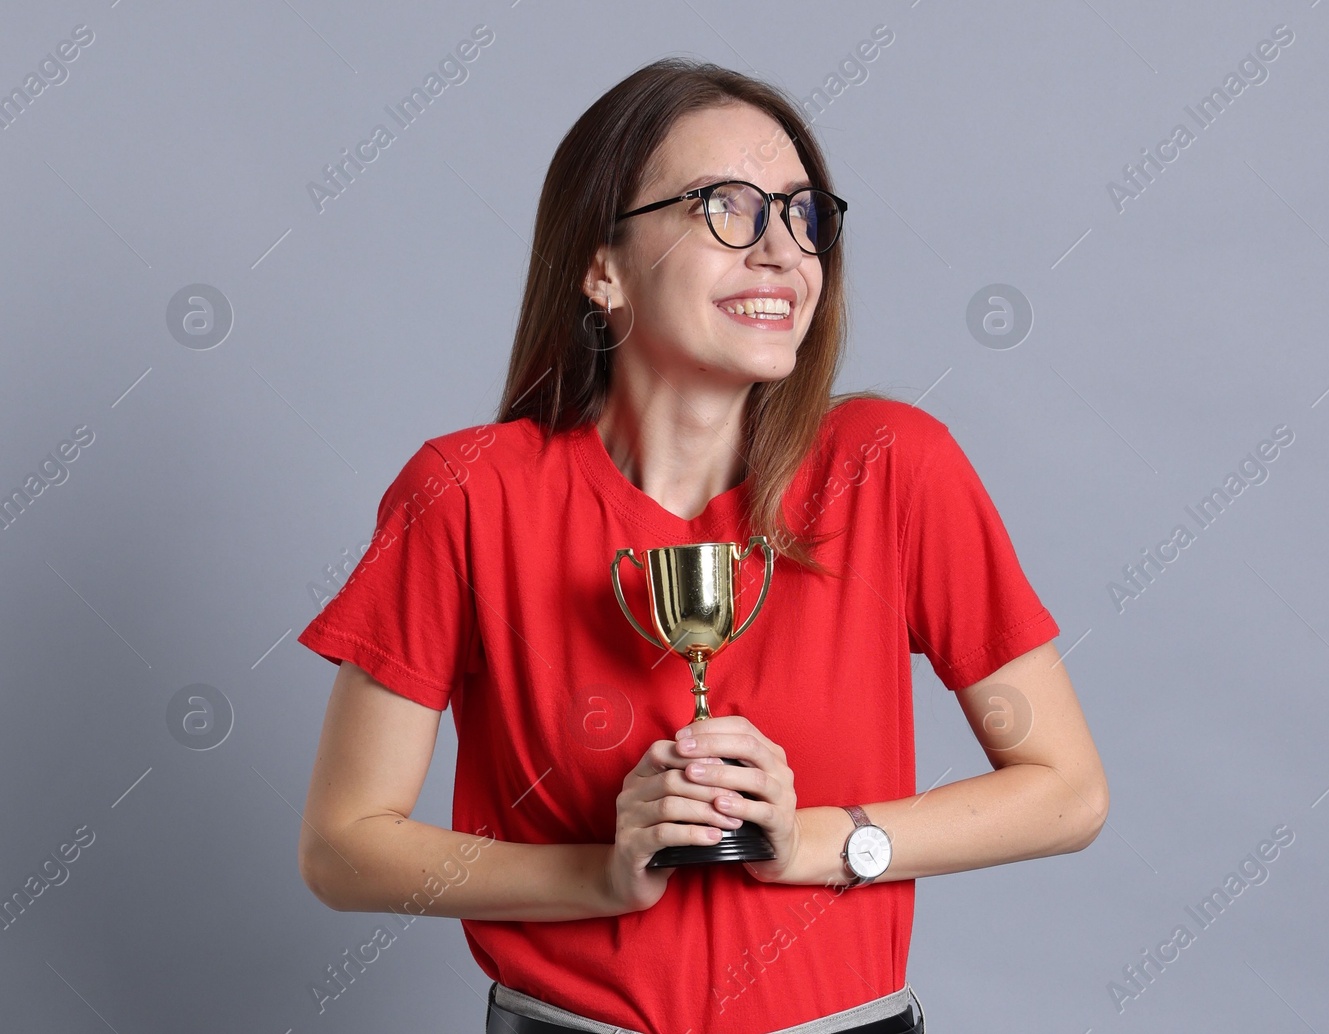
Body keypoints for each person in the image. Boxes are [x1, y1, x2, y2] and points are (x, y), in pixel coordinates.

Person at [294, 57, 1107, 1034]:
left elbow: (1067, 792)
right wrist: (601, 871)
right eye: (726, 207)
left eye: (803, 215)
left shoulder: (892, 465)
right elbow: (342, 849)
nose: (781, 251)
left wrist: (814, 840)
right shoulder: (467, 494)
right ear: (602, 267)